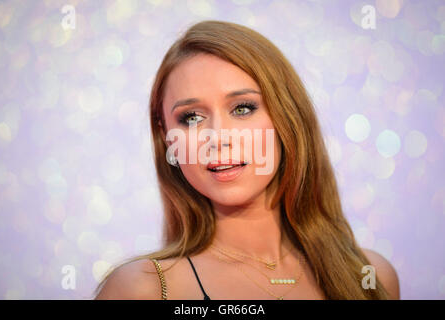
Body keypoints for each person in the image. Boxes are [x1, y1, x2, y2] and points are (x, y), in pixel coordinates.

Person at [94, 20, 400, 300]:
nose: (217, 137)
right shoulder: (140, 289)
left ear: (287, 117)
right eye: (191, 117)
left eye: (242, 108)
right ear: (167, 137)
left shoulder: (369, 276)